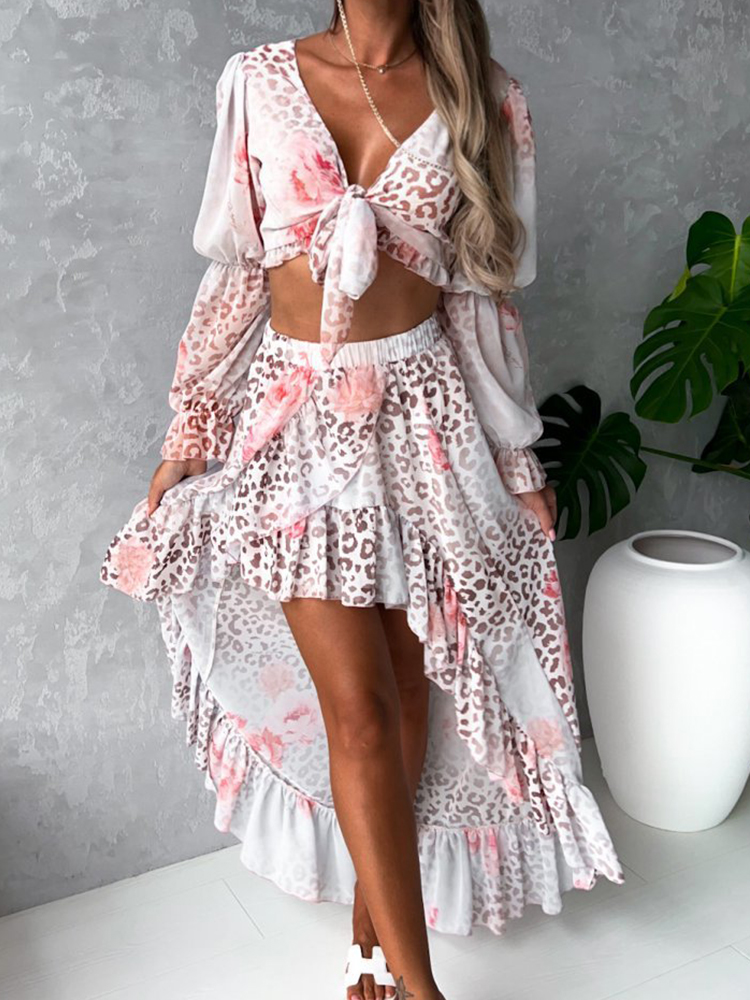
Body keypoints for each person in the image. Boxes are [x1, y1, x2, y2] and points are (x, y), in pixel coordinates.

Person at [100, 2, 624, 998]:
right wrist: (191, 432)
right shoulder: (259, 82)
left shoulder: (484, 97)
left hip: (427, 425)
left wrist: (519, 463)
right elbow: (238, 281)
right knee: (363, 712)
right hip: (296, 427)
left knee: (409, 687)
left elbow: (479, 300)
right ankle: (424, 991)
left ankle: (372, 936)